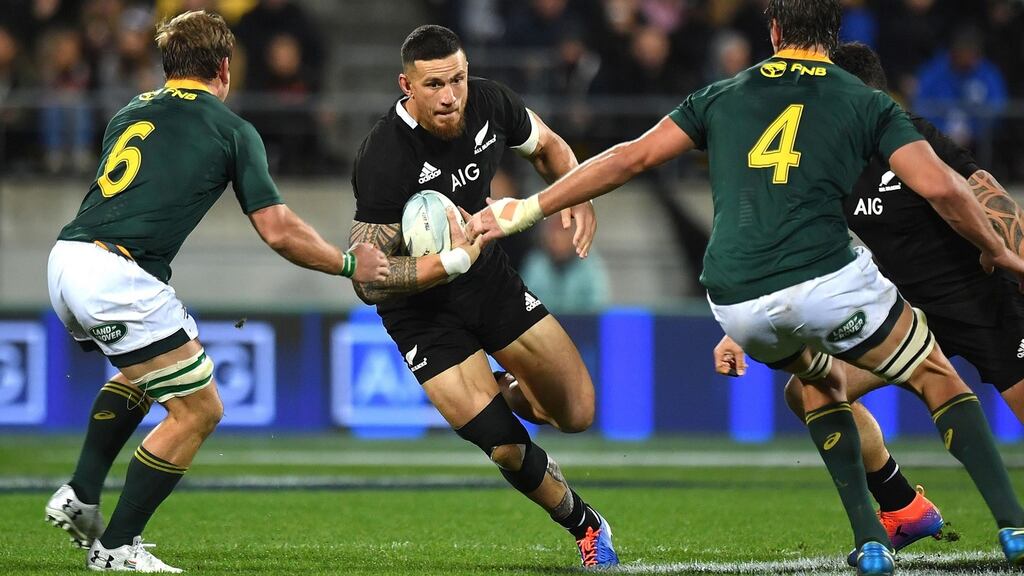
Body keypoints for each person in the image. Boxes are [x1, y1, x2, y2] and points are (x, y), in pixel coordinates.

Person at [466, 1, 1024, 573]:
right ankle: (1010, 527)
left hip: (746, 301)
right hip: (844, 291)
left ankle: (884, 527)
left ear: (775, 31)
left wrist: (525, 208)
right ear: (832, 38)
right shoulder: (862, 102)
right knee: (934, 375)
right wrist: (997, 249)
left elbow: (630, 158)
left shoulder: (723, 95)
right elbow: (949, 191)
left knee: (812, 385)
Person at [44, 11, 388, 572]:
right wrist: (350, 263)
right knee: (198, 410)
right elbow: (278, 230)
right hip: (115, 273)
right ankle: (116, 548)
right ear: (225, 69)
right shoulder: (231, 129)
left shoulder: (129, 111)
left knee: (139, 374)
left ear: (169, 65)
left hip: (68, 260)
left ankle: (81, 494)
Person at [712, 41, 1024, 566]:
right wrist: (734, 327)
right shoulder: (829, 159)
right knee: (808, 391)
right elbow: (799, 242)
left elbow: (984, 191)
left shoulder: (911, 134)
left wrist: (1014, 255)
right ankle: (902, 505)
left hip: (980, 303)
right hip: (903, 313)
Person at [347, 24, 618, 569]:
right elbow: (367, 278)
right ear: (407, 86)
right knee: (504, 445)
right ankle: (586, 526)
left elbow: (550, 147)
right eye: (434, 85)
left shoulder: (492, 103)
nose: (450, 96)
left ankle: (504, 388)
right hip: (419, 312)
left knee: (577, 412)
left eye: (458, 80)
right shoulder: (383, 155)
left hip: (487, 281)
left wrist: (579, 192)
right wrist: (444, 262)